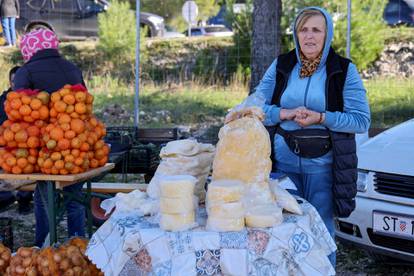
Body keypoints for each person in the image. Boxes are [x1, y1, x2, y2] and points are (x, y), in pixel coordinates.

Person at [226, 7, 370, 267]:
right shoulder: (282, 65)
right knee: (281, 229)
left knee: (321, 232)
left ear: (327, 34)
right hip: (284, 167)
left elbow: (361, 120)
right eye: (303, 30)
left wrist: (322, 117)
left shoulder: (343, 70)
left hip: (323, 168)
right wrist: (284, 112)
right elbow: (255, 106)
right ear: (296, 34)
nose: (309, 36)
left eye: (316, 29)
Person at [13, 28, 86, 247]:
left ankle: (43, 245)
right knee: (75, 197)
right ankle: (78, 244)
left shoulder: (26, 72)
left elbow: (19, 111)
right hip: (76, 144)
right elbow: (84, 103)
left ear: (29, 49)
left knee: (45, 198)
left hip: (44, 148)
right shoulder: (72, 68)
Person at [0, 66, 33, 214]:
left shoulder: (31, 101)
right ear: (9, 82)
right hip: (6, 143)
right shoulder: (3, 100)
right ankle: (6, 197)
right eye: (13, 81)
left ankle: (24, 201)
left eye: (17, 81)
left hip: (26, 143)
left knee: (26, 164)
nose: (15, 84)